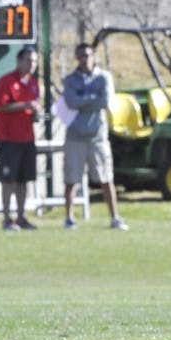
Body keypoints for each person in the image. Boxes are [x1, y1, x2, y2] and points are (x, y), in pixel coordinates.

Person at [61, 43, 128, 230]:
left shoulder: (104, 77)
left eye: (88, 55)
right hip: (75, 136)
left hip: (97, 135)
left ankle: (115, 217)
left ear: (94, 56)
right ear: (77, 58)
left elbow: (105, 101)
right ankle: (69, 218)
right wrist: (92, 99)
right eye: (81, 55)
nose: (85, 59)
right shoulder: (70, 79)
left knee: (106, 178)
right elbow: (70, 102)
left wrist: (84, 101)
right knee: (71, 179)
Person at [0, 44, 42, 231]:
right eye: (29, 60)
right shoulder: (7, 81)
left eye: (35, 61)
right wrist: (24, 105)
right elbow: (0, 106)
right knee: (8, 180)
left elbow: (33, 107)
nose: (32, 64)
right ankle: (7, 219)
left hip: (27, 138)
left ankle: (22, 217)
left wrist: (35, 111)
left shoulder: (34, 84)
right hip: (9, 139)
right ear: (19, 61)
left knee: (24, 179)